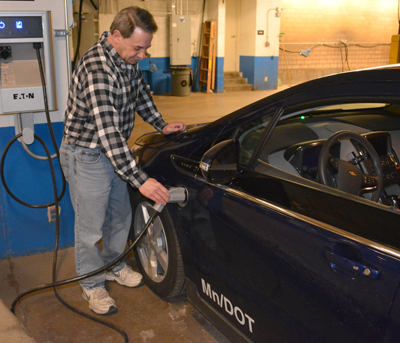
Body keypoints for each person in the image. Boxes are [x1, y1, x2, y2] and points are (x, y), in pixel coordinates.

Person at [60, 6, 186, 315]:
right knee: (90, 229)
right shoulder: (96, 68)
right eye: (138, 48)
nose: (142, 55)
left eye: (146, 48)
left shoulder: (127, 60)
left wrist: (161, 124)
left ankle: (114, 266)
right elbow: (108, 134)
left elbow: (140, 95)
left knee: (119, 216)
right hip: (86, 155)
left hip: (111, 154)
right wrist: (141, 180)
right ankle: (91, 284)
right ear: (116, 37)